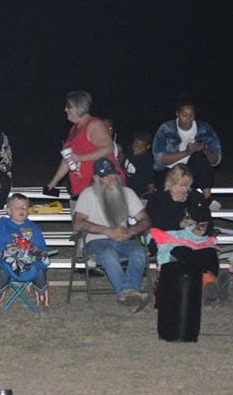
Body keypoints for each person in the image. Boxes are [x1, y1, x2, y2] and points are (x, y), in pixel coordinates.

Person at [73, 158, 152, 311]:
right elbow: (78, 223)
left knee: (139, 251)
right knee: (108, 253)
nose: (110, 179)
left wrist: (131, 231)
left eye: (112, 175)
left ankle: (128, 293)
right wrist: (107, 231)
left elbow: (145, 220)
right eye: (105, 176)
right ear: (96, 178)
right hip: (95, 241)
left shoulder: (127, 193)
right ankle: (129, 293)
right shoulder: (87, 194)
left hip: (122, 239)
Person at [145, 164, 224, 304]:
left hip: (193, 237)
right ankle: (203, 282)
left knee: (209, 252)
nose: (184, 189)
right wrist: (179, 224)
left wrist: (201, 229)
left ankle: (209, 282)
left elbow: (207, 219)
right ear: (171, 182)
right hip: (167, 236)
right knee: (183, 252)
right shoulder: (158, 198)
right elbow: (154, 222)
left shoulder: (196, 197)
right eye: (180, 185)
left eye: (187, 185)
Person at [44, 91, 125, 203]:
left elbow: (107, 148)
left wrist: (79, 157)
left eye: (69, 107)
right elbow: (68, 158)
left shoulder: (94, 124)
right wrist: (53, 183)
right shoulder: (73, 129)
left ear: (79, 107)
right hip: (80, 188)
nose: (65, 109)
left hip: (101, 187)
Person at [0, 193, 50, 309]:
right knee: (2, 269)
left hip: (28, 260)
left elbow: (41, 246)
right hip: (8, 259)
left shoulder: (32, 227)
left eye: (24, 207)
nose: (22, 209)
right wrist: (12, 237)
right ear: (8, 211)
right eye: (17, 207)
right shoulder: (3, 224)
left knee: (40, 268)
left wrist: (35, 247)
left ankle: (42, 296)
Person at [151, 98, 222, 199]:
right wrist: (187, 152)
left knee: (199, 157)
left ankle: (207, 198)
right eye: (184, 115)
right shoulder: (166, 129)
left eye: (191, 115)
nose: (188, 118)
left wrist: (204, 151)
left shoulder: (205, 129)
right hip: (169, 171)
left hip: (193, 173)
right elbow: (159, 159)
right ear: (177, 114)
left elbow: (216, 160)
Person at [123, 129, 155, 199]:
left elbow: (150, 180)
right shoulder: (129, 150)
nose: (136, 148)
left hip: (137, 192)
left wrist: (150, 195)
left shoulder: (147, 160)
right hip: (125, 186)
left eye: (140, 147)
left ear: (147, 147)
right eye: (135, 145)